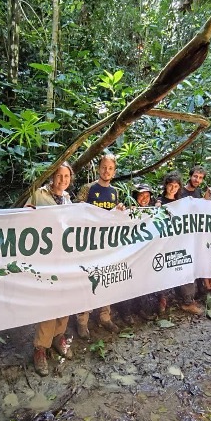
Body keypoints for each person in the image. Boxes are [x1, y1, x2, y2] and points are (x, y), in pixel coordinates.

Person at [24, 163, 74, 376]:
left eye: (66, 176)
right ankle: (40, 348)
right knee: (49, 303)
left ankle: (58, 337)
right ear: (52, 177)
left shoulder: (70, 199)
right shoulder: (39, 194)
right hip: (46, 258)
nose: (62, 179)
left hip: (66, 258)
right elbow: (24, 216)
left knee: (66, 299)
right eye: (59, 175)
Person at [75, 154, 125, 338]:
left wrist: (120, 211)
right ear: (98, 168)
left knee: (106, 279)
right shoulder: (88, 189)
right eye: (104, 167)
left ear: (114, 171)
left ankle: (104, 316)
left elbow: (114, 218)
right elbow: (75, 212)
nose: (106, 171)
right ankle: (82, 320)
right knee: (87, 281)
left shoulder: (115, 192)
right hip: (88, 244)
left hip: (107, 244)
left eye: (110, 168)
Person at [156, 171, 202, 315]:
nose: (173, 188)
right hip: (163, 244)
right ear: (166, 186)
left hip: (180, 242)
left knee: (185, 269)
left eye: (176, 186)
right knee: (162, 271)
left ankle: (188, 302)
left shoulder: (182, 201)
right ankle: (161, 300)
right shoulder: (159, 202)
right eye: (171, 185)